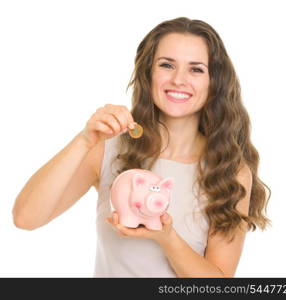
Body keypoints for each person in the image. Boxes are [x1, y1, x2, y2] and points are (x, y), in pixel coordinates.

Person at [12, 17, 271, 278]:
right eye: (167, 65)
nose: (179, 80)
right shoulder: (108, 149)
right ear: (148, 73)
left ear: (215, 82)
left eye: (196, 69)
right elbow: (25, 218)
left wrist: (167, 238)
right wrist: (84, 140)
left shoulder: (229, 171)